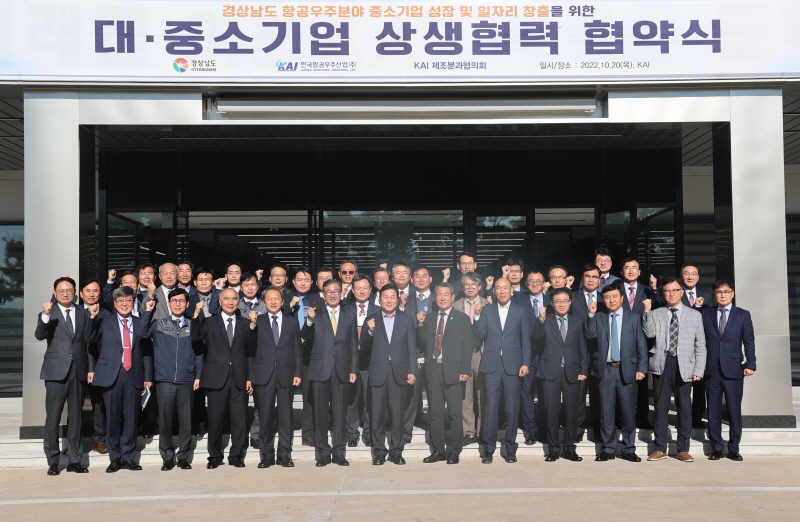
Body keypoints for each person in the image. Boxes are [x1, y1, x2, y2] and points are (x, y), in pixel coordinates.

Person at [87, 286, 155, 472]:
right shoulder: (104, 322)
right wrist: (92, 318)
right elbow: (90, 338)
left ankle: (128, 457)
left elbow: (146, 347)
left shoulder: (139, 322)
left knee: (131, 419)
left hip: (133, 374)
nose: (125, 304)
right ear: (114, 303)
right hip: (111, 375)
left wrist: (148, 377)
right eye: (121, 301)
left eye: (128, 301)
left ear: (133, 303)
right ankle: (115, 458)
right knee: (113, 418)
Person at [642, 278, 706, 462]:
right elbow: (649, 334)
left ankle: (683, 448)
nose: (671, 294)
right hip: (663, 363)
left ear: (682, 292)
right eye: (667, 291)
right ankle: (660, 447)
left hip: (685, 364)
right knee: (661, 407)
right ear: (663, 293)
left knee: (684, 408)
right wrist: (646, 312)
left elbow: (700, 344)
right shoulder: (656, 313)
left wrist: (699, 368)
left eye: (675, 290)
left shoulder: (694, 315)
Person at [36, 277, 94, 475]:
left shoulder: (83, 312)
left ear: (75, 291)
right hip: (55, 371)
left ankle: (75, 460)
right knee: (52, 417)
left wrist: (90, 369)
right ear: (54, 292)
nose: (65, 293)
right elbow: (39, 335)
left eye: (69, 290)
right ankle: (53, 460)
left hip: (78, 370)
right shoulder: (48, 313)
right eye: (61, 290)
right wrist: (45, 315)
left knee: (76, 417)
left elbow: (88, 344)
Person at [191, 288, 255, 469]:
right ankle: (214, 455)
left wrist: (250, 377)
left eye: (234, 298)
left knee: (239, 419)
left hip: (239, 377)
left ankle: (236, 455)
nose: (230, 301)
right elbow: (195, 338)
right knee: (215, 418)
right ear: (219, 302)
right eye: (226, 298)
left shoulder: (245, 323)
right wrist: (196, 315)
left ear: (238, 302)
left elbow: (250, 350)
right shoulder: (210, 322)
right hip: (216, 377)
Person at [585, 284, 647, 462]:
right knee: (606, 413)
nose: (611, 300)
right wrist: (590, 315)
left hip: (627, 369)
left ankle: (629, 449)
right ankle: (608, 448)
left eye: (614, 296)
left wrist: (642, 368)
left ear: (622, 298)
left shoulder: (634, 318)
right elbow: (590, 336)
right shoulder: (599, 317)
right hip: (604, 370)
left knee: (628, 413)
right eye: (607, 297)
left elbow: (641, 345)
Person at [473, 278, 532, 464]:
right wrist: (476, 317)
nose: (502, 291)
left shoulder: (521, 311)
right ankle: (488, 448)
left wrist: (525, 363)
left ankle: (510, 448)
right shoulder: (487, 310)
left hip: (514, 365)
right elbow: (479, 334)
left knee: (512, 408)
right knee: (491, 407)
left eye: (505, 287)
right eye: (498, 288)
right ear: (494, 291)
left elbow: (525, 340)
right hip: (492, 365)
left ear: (511, 290)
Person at [144, 288, 203, 471]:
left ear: (187, 304)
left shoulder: (193, 325)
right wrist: (147, 311)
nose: (178, 304)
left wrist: (198, 375)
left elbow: (199, 352)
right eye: (174, 301)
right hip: (165, 380)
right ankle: (167, 457)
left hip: (187, 379)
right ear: (169, 304)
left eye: (181, 301)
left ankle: (183, 457)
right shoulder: (159, 324)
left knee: (186, 421)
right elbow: (142, 333)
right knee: (166, 420)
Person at [303, 279, 358, 467]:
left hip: (342, 370)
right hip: (320, 370)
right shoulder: (315, 315)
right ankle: (323, 453)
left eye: (336, 291)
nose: (333, 294)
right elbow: (305, 336)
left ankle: (339, 452)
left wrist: (353, 369)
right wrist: (308, 321)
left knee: (340, 413)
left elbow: (353, 345)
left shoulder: (350, 315)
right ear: (323, 294)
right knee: (320, 414)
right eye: (329, 291)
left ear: (341, 294)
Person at [361, 283, 417, 465]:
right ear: (380, 299)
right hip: (378, 373)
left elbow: (411, 348)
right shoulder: (371, 319)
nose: (389, 300)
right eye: (385, 297)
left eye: (393, 297)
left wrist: (412, 370)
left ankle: (396, 451)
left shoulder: (406, 319)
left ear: (398, 298)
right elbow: (363, 348)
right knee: (376, 415)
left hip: (399, 373)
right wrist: (369, 331)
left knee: (397, 415)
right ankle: (379, 452)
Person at [418, 282, 473, 464]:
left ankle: (454, 451)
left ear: (452, 297)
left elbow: (467, 347)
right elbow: (422, 342)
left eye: (446, 294)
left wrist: (465, 369)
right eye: (439, 294)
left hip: (454, 371)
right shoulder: (430, 318)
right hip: (433, 369)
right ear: (435, 297)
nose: (442, 297)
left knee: (455, 413)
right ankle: (438, 450)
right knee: (435, 413)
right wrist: (419, 325)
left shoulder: (462, 318)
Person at [702, 279, 756, 462]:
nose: (723, 294)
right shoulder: (706, 313)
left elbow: (749, 341)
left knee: (733, 410)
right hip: (712, 370)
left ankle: (733, 448)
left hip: (734, 369)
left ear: (732, 293)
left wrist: (751, 363)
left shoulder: (742, 315)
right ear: (714, 294)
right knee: (713, 412)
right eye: (719, 292)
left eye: (726, 291)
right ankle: (716, 447)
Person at [533, 287, 587, 462]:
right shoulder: (545, 320)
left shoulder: (577, 321)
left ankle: (569, 448)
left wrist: (583, 369)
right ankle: (553, 448)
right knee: (551, 412)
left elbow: (583, 348)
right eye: (558, 301)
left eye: (565, 301)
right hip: (550, 371)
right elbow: (536, 337)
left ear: (570, 303)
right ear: (552, 303)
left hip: (572, 371)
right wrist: (540, 319)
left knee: (572, 412)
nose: (562, 304)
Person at [251, 287, 303, 468]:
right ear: (264, 302)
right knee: (265, 416)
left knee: (286, 415)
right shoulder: (258, 321)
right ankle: (266, 455)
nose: (273, 302)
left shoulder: (291, 321)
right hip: (263, 375)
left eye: (276, 299)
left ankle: (284, 454)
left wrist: (298, 373)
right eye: (269, 299)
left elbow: (297, 349)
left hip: (286, 374)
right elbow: (249, 347)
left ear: (282, 302)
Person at [619, 258, 659, 430]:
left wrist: (655, 289)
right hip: (620, 342)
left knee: (641, 384)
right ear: (621, 271)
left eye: (634, 268)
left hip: (642, 342)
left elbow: (658, 309)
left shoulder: (648, 291)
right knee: (620, 382)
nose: (630, 271)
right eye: (627, 267)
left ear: (639, 272)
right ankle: (620, 418)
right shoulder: (615, 290)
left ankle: (642, 417)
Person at [571, 264, 608, 443]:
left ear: (600, 279)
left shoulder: (605, 299)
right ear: (582, 278)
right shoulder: (572, 297)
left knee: (599, 395)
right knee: (578, 395)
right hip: (577, 353)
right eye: (587, 276)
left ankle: (599, 429)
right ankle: (577, 429)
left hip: (599, 353)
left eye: (595, 276)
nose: (591, 279)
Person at [401, 265, 437, 442]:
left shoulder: (439, 299)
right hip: (412, 353)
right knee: (411, 395)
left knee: (434, 394)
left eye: (425, 276)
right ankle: (406, 431)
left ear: (431, 279)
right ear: (411, 280)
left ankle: (435, 430)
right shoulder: (406, 301)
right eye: (417, 276)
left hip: (433, 353)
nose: (421, 279)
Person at [452, 272, 488, 446]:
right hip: (463, 356)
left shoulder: (489, 304)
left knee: (483, 394)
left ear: (480, 287)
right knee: (465, 396)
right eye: (467, 285)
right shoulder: (456, 305)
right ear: (462, 287)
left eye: (474, 285)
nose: (470, 287)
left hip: (482, 354)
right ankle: (468, 431)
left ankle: (482, 431)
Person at [346, 273, 381, 447]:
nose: (361, 291)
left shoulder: (378, 310)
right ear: (352, 290)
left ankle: (368, 431)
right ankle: (352, 432)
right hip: (350, 361)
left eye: (365, 287)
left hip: (370, 361)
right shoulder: (346, 310)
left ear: (371, 289)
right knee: (351, 398)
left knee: (370, 398)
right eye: (358, 288)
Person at [679, 264, 715, 429]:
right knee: (681, 385)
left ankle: (697, 417)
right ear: (681, 276)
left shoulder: (707, 296)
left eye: (694, 274)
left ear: (699, 277)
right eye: (686, 273)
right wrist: (696, 307)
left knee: (700, 385)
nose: (690, 276)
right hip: (682, 346)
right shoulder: (676, 294)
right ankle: (683, 417)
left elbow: (710, 320)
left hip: (701, 347)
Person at [80, 278, 112, 455]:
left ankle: (100, 439)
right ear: (81, 293)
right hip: (74, 365)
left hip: (98, 366)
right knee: (75, 405)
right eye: (88, 290)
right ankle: (73, 443)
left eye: (95, 291)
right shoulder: (74, 312)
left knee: (98, 404)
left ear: (100, 294)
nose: (91, 294)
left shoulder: (106, 315)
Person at [286, 266, 317, 448]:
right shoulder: (285, 299)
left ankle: (308, 434)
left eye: (306, 280)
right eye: (299, 279)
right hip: (288, 354)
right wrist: (289, 307)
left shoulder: (317, 300)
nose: (303, 283)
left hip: (310, 353)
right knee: (285, 397)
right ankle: (286, 432)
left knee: (308, 398)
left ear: (312, 282)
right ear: (293, 282)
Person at [520, 270, 549, 445]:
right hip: (526, 354)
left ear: (544, 283)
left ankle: (544, 427)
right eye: (531, 281)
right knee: (527, 392)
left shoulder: (552, 301)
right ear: (526, 283)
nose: (534, 283)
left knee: (546, 393)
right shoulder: (518, 300)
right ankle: (530, 428)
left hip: (547, 354)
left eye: (538, 280)